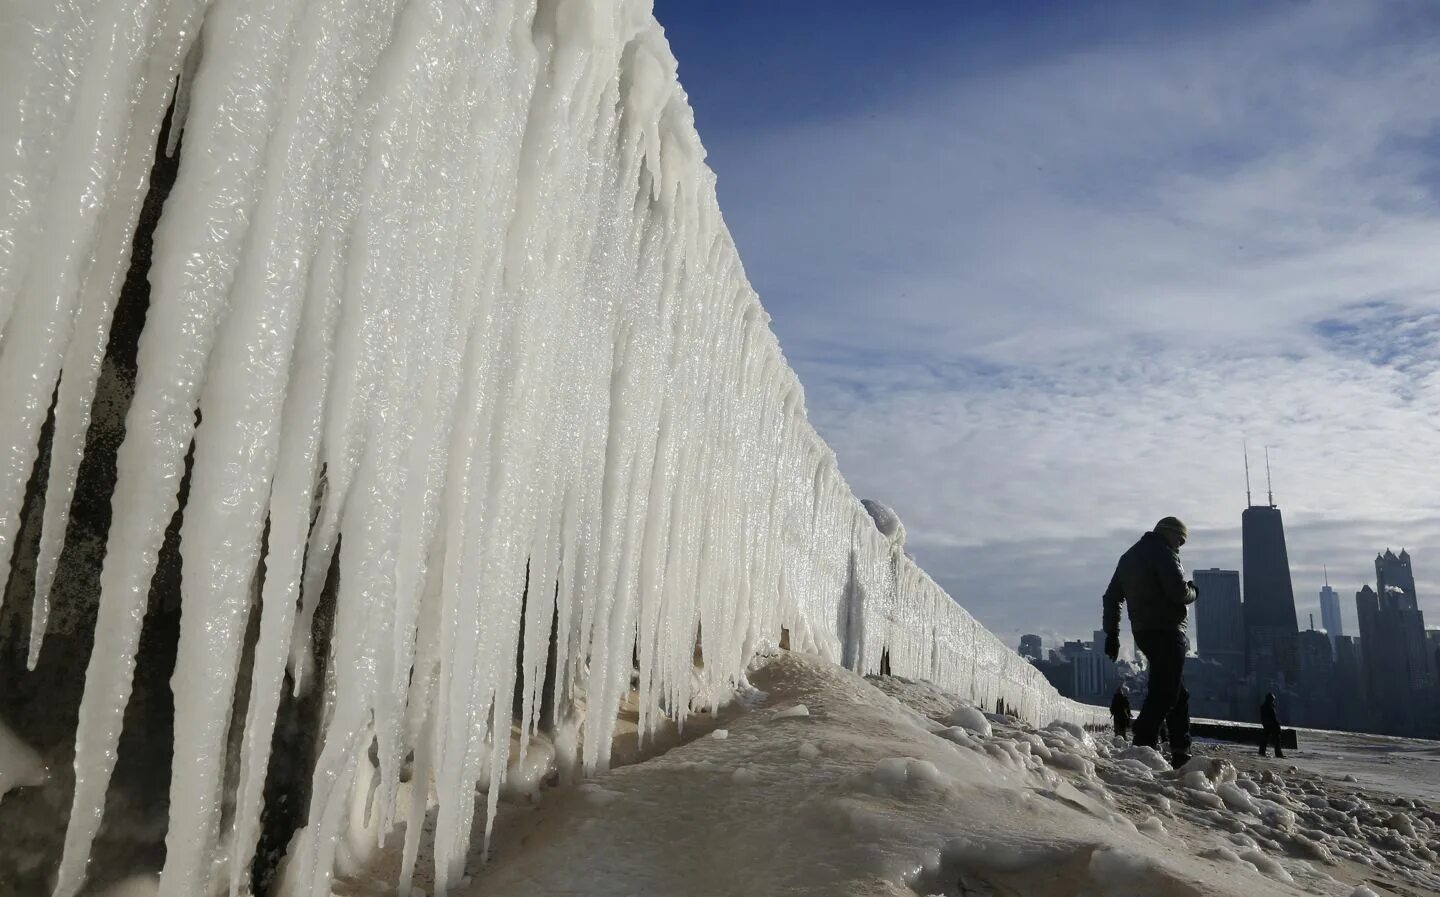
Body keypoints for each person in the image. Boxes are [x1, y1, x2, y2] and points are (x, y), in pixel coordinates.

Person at [1101, 516, 1198, 768]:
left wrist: (1111, 634)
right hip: (1168, 629)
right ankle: (1144, 744)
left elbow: (1111, 598)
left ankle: (1180, 751)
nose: (1180, 546)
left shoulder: (1128, 557)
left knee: (1177, 691)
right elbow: (1178, 592)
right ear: (1169, 533)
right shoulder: (1163, 553)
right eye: (1180, 540)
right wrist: (1193, 591)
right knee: (1166, 693)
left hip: (1143, 632)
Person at [1259, 693, 1285, 758]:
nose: (1273, 701)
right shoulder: (1270, 707)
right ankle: (1278, 754)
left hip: (1266, 725)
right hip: (1272, 726)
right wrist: (1277, 726)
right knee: (1277, 741)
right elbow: (1273, 718)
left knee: (1264, 740)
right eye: (1272, 699)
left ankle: (1261, 752)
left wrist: (1264, 724)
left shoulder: (1263, 707)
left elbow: (1262, 718)